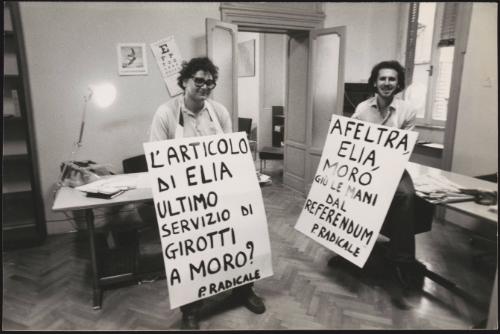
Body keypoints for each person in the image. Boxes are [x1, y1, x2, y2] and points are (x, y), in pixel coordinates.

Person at [149, 57, 266, 330]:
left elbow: (231, 152)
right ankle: (190, 308)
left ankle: (243, 290)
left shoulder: (219, 112)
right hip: (186, 198)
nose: (204, 86)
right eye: (198, 80)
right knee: (191, 253)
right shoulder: (165, 113)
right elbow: (157, 158)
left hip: (222, 192)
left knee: (238, 240)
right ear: (184, 82)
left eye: (210, 82)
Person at [330, 60, 424, 291]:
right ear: (375, 82)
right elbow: (347, 139)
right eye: (382, 78)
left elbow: (405, 148)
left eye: (392, 79)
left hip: (393, 167)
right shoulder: (362, 109)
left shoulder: (408, 111)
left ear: (398, 83)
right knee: (346, 193)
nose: (387, 83)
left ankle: (402, 260)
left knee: (405, 195)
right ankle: (348, 249)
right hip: (364, 168)